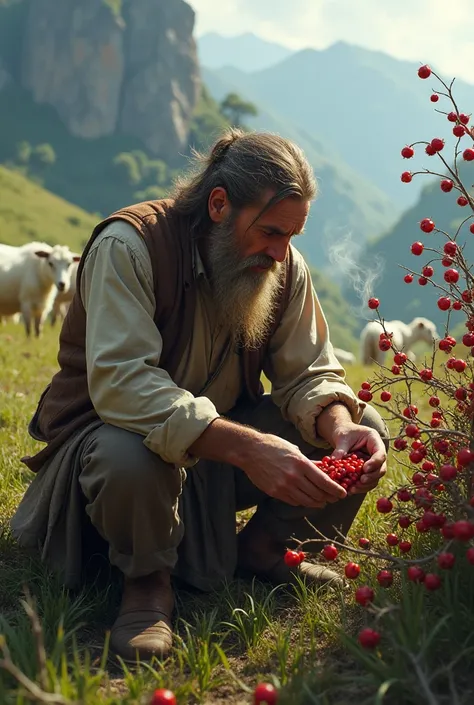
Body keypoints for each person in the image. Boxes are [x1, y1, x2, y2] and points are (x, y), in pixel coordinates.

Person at [11, 128, 388, 663]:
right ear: (218, 204)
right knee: (129, 454)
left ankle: (264, 550)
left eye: (292, 236)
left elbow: (310, 372)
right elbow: (124, 384)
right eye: (271, 233)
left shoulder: (281, 266)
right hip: (110, 455)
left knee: (363, 427)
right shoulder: (130, 245)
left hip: (214, 455)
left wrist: (336, 423)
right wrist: (250, 448)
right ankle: (146, 586)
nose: (281, 253)